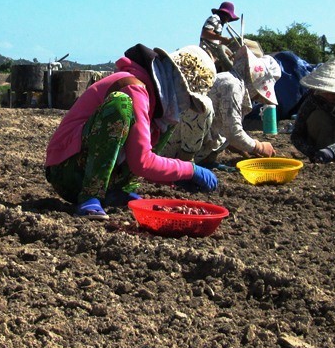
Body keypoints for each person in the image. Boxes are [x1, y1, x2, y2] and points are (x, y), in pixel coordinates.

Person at [45, 43, 219, 220]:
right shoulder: (134, 88)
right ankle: (90, 195)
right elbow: (142, 162)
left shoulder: (159, 108)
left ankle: (118, 190)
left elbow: (142, 154)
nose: (185, 105)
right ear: (178, 82)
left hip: (95, 173)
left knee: (167, 124)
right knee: (120, 104)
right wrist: (189, 169)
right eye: (188, 98)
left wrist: (175, 177)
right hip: (66, 170)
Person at [165, 45, 281, 168]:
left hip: (182, 140)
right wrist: (260, 146)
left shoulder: (231, 81)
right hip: (177, 150)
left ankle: (203, 162)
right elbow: (233, 132)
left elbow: (222, 127)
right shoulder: (232, 86)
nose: (257, 97)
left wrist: (241, 147)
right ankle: (186, 165)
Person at [200, 1, 240, 72]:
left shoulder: (220, 23)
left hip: (214, 52)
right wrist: (221, 38)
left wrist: (225, 42)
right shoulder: (215, 18)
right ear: (225, 15)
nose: (228, 20)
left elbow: (217, 40)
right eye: (228, 17)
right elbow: (205, 33)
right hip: (207, 49)